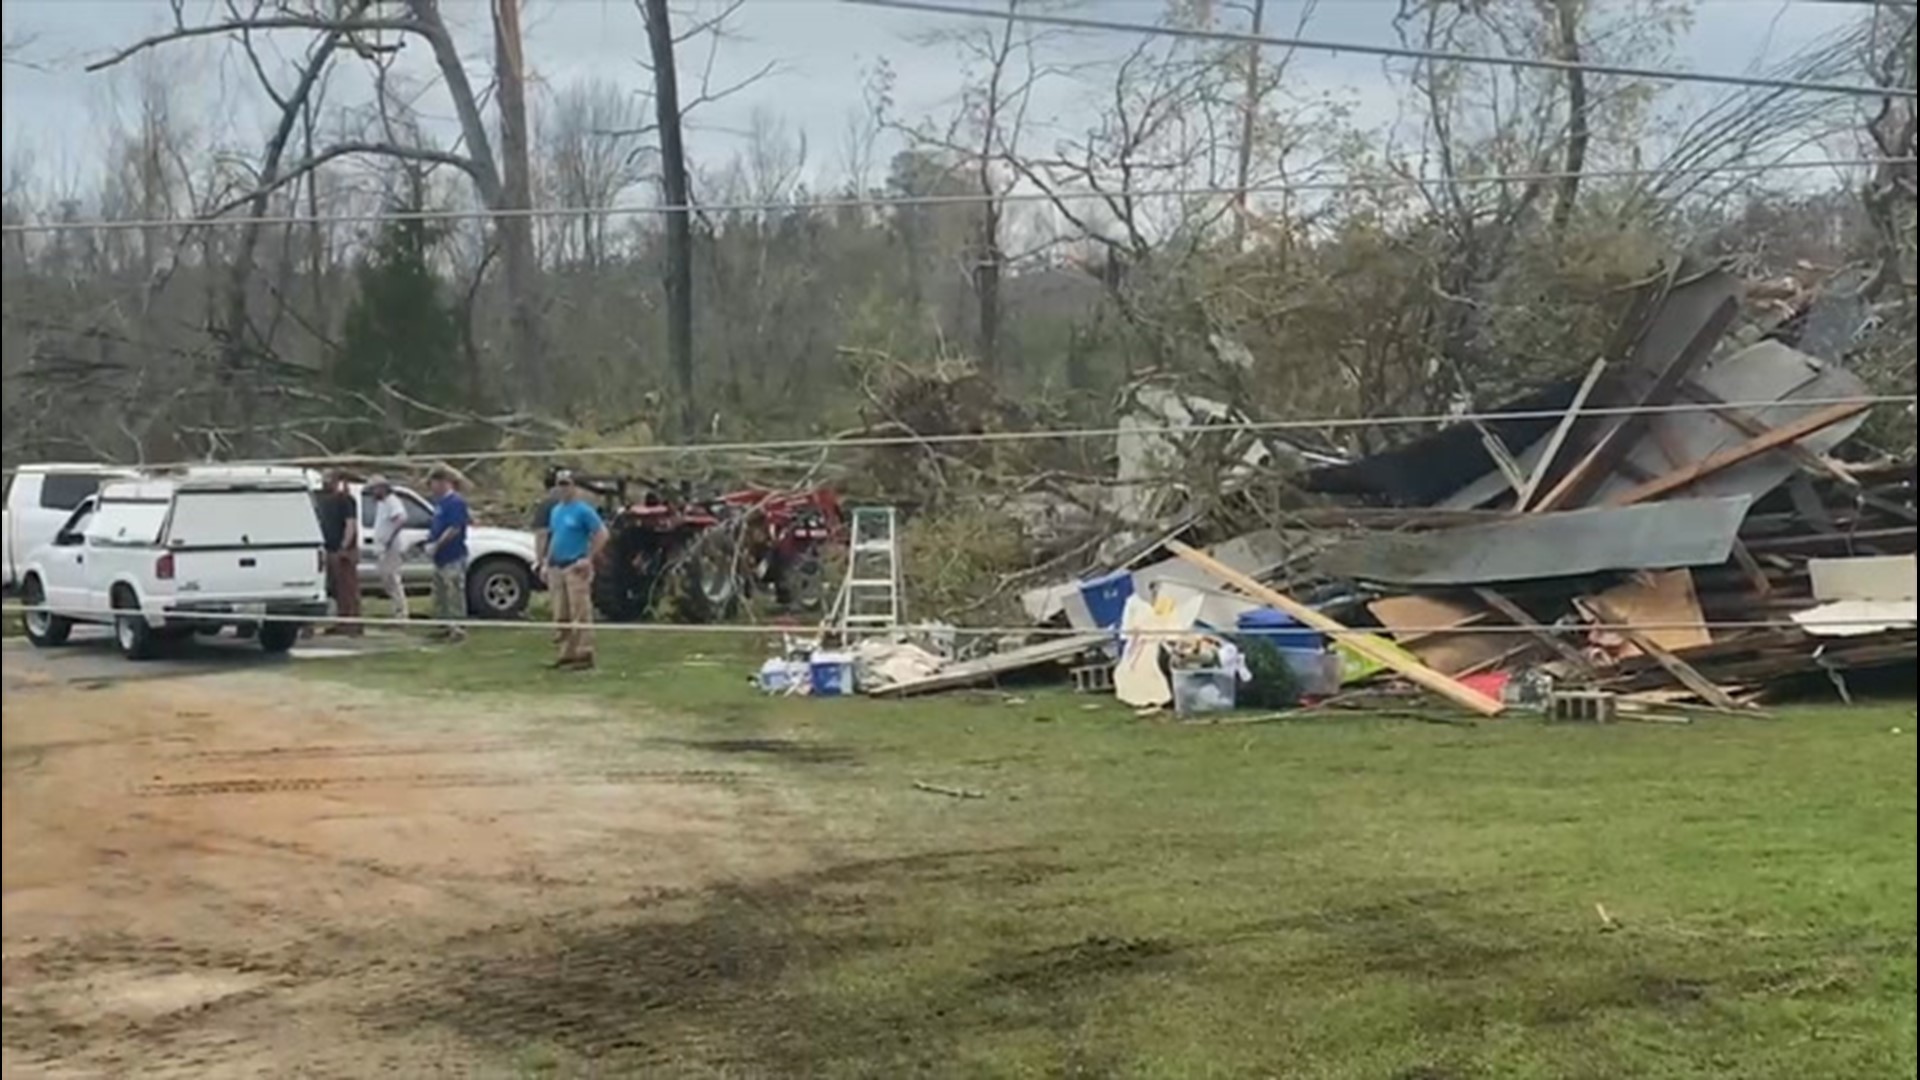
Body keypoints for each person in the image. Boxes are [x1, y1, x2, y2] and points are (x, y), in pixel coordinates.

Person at [544, 469, 609, 670]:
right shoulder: (556, 511)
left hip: (575, 566)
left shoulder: (583, 510)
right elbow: (554, 537)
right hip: (557, 566)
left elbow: (602, 533)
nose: (563, 488)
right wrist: (547, 562)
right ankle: (566, 654)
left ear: (574, 487)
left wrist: (588, 559)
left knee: (579, 611)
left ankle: (584, 654)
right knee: (560, 612)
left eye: (567, 484)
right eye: (560, 484)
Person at [422, 466, 471, 641]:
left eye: (433, 483)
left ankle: (458, 628)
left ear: (443, 482)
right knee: (440, 593)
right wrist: (429, 541)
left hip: (453, 555)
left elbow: (454, 528)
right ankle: (443, 625)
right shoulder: (439, 503)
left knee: (454, 592)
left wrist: (437, 544)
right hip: (439, 558)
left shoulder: (456, 502)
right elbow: (436, 526)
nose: (432, 487)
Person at [313, 471, 362, 636]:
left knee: (347, 589)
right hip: (328, 549)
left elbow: (351, 525)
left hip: (342, 551)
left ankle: (352, 624)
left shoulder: (346, 500)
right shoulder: (322, 501)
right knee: (335, 590)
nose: (326, 483)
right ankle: (340, 622)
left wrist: (344, 546)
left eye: (330, 480)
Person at [531, 465, 569, 644]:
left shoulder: (546, 505)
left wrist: (540, 561)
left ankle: (562, 632)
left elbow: (541, 535)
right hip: (576, 557)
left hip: (555, 560)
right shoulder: (574, 503)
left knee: (558, 598)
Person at [367, 475, 410, 626]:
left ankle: (401, 615)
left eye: (374, 489)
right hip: (383, 547)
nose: (373, 492)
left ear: (382, 488)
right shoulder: (382, 503)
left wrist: (390, 538)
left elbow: (401, 518)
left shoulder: (392, 501)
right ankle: (396, 612)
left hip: (391, 547)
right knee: (387, 581)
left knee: (393, 579)